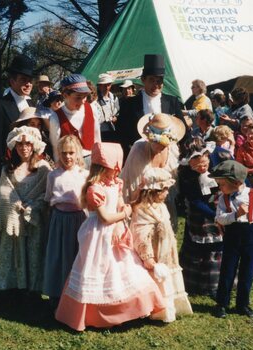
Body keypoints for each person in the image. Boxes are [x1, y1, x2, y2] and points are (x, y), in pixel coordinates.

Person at [55, 142, 165, 331]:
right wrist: (126, 214)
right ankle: (94, 315)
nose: (115, 172)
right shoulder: (94, 189)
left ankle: (128, 309)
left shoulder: (116, 182)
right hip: (99, 234)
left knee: (124, 267)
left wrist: (123, 208)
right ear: (101, 168)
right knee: (99, 268)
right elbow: (105, 217)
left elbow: (120, 202)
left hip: (116, 230)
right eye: (111, 169)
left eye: (116, 169)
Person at [0, 126, 51, 294]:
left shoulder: (43, 168)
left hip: (34, 218)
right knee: (14, 252)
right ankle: (14, 286)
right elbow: (3, 191)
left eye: (27, 144)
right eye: (20, 144)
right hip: (14, 218)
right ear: (14, 146)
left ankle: (34, 288)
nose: (24, 148)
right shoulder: (9, 168)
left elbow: (47, 192)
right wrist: (15, 204)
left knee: (34, 251)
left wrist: (33, 205)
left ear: (34, 145)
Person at [131, 167, 193, 322]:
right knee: (157, 279)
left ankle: (172, 306)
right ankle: (158, 310)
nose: (167, 193)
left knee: (168, 277)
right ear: (152, 191)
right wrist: (148, 256)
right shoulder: (142, 209)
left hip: (166, 249)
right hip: (154, 251)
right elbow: (141, 235)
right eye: (163, 189)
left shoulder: (162, 206)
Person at [210, 160, 253, 319]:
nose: (220, 187)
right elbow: (220, 218)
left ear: (235, 182)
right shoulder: (223, 198)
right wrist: (235, 215)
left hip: (251, 234)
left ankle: (243, 304)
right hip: (233, 234)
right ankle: (222, 304)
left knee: (247, 270)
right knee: (228, 269)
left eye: (221, 184)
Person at [0, 54, 35, 227]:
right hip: (8, 172)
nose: (28, 84)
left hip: (31, 172)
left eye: (30, 80)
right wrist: (3, 172)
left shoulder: (34, 105)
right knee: (8, 221)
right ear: (12, 81)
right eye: (23, 79)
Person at [43, 135, 88, 309]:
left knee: (75, 256)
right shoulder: (53, 175)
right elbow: (49, 198)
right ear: (58, 154)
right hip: (59, 220)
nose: (68, 157)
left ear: (78, 154)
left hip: (78, 219)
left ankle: (75, 295)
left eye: (71, 153)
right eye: (64, 153)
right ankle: (56, 292)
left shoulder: (84, 175)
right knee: (58, 255)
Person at [121, 113, 185, 230]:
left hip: (166, 200)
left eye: (164, 144)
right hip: (141, 204)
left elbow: (172, 180)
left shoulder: (172, 148)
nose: (161, 147)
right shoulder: (139, 150)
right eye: (157, 143)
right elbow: (131, 188)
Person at [118, 54, 190, 154]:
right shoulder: (129, 104)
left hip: (167, 155)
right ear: (143, 80)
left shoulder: (172, 101)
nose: (156, 85)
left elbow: (183, 130)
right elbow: (121, 133)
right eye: (152, 80)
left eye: (159, 81)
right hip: (139, 155)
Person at [178, 139, 223, 297]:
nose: (202, 168)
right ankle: (192, 284)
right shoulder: (186, 176)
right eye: (197, 166)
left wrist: (221, 211)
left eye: (204, 164)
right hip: (200, 213)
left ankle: (214, 286)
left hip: (219, 206)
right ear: (189, 163)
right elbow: (195, 200)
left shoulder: (219, 160)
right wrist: (214, 215)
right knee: (197, 248)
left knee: (216, 248)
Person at [48, 74, 101, 166]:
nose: (82, 101)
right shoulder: (56, 117)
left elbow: (97, 138)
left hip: (92, 160)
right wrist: (59, 168)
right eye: (78, 97)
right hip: (70, 164)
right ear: (65, 95)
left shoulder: (92, 109)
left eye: (85, 97)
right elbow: (56, 148)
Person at [96, 73, 120, 143]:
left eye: (108, 85)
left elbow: (117, 112)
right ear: (100, 86)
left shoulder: (114, 98)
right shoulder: (95, 100)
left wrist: (115, 117)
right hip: (100, 131)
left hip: (112, 130)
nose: (106, 87)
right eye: (104, 85)